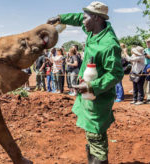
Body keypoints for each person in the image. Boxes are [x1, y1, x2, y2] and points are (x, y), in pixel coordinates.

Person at [47, 1, 124, 163]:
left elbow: (116, 73)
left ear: (96, 18)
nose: (82, 21)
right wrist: (60, 18)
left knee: (95, 134)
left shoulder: (109, 44)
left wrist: (91, 86)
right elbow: (76, 18)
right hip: (88, 93)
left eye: (85, 18)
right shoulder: (93, 31)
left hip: (98, 96)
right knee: (91, 134)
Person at [143, 37, 150, 103]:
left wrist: (146, 55)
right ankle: (143, 95)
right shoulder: (145, 49)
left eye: (149, 42)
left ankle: (149, 97)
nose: (147, 43)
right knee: (144, 80)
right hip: (144, 65)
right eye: (147, 42)